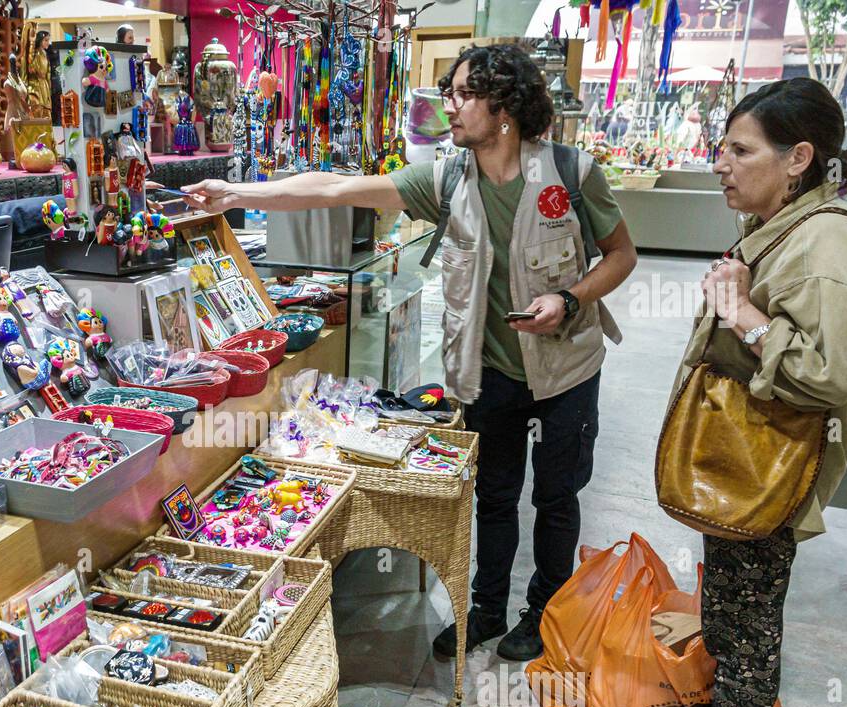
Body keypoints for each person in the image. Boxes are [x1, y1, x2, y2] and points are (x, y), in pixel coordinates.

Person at [183, 43, 637, 662]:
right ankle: (487, 610)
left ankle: (545, 614)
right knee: (494, 495)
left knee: (556, 497)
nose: (446, 105)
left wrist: (570, 297)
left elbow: (621, 256)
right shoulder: (447, 178)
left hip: (567, 367)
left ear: (502, 106)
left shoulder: (572, 173)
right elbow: (337, 189)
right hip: (491, 368)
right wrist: (237, 195)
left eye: (460, 94)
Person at [613, 78, 847, 707]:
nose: (721, 164)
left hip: (770, 464)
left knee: (752, 630)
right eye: (721, 148)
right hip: (747, 457)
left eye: (739, 149)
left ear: (798, 157)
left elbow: (832, 374)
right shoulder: (788, 224)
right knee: (734, 617)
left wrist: (744, 313)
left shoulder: (828, 241)